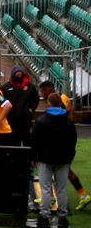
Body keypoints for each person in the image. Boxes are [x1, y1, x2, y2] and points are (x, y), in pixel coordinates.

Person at [39, 81, 91, 211]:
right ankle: (82, 195)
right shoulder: (62, 97)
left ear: (48, 89)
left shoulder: (58, 101)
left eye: (42, 91)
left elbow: (63, 119)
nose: (41, 94)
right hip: (66, 139)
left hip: (61, 141)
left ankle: (52, 197)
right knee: (65, 169)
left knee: (55, 168)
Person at [32, 93, 77, 228]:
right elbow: (72, 142)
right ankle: (63, 217)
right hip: (63, 160)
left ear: (48, 103)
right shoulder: (68, 122)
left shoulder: (41, 121)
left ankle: (44, 216)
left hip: (45, 159)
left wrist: (34, 157)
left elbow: (35, 141)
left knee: (45, 188)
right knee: (61, 189)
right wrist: (69, 158)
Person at [0, 65, 39, 147]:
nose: (19, 77)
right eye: (17, 75)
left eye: (20, 75)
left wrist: (31, 109)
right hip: (11, 118)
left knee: (26, 139)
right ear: (13, 75)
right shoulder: (6, 87)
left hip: (25, 118)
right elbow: (2, 101)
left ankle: (27, 158)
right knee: (13, 140)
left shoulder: (30, 86)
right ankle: (14, 158)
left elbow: (35, 99)